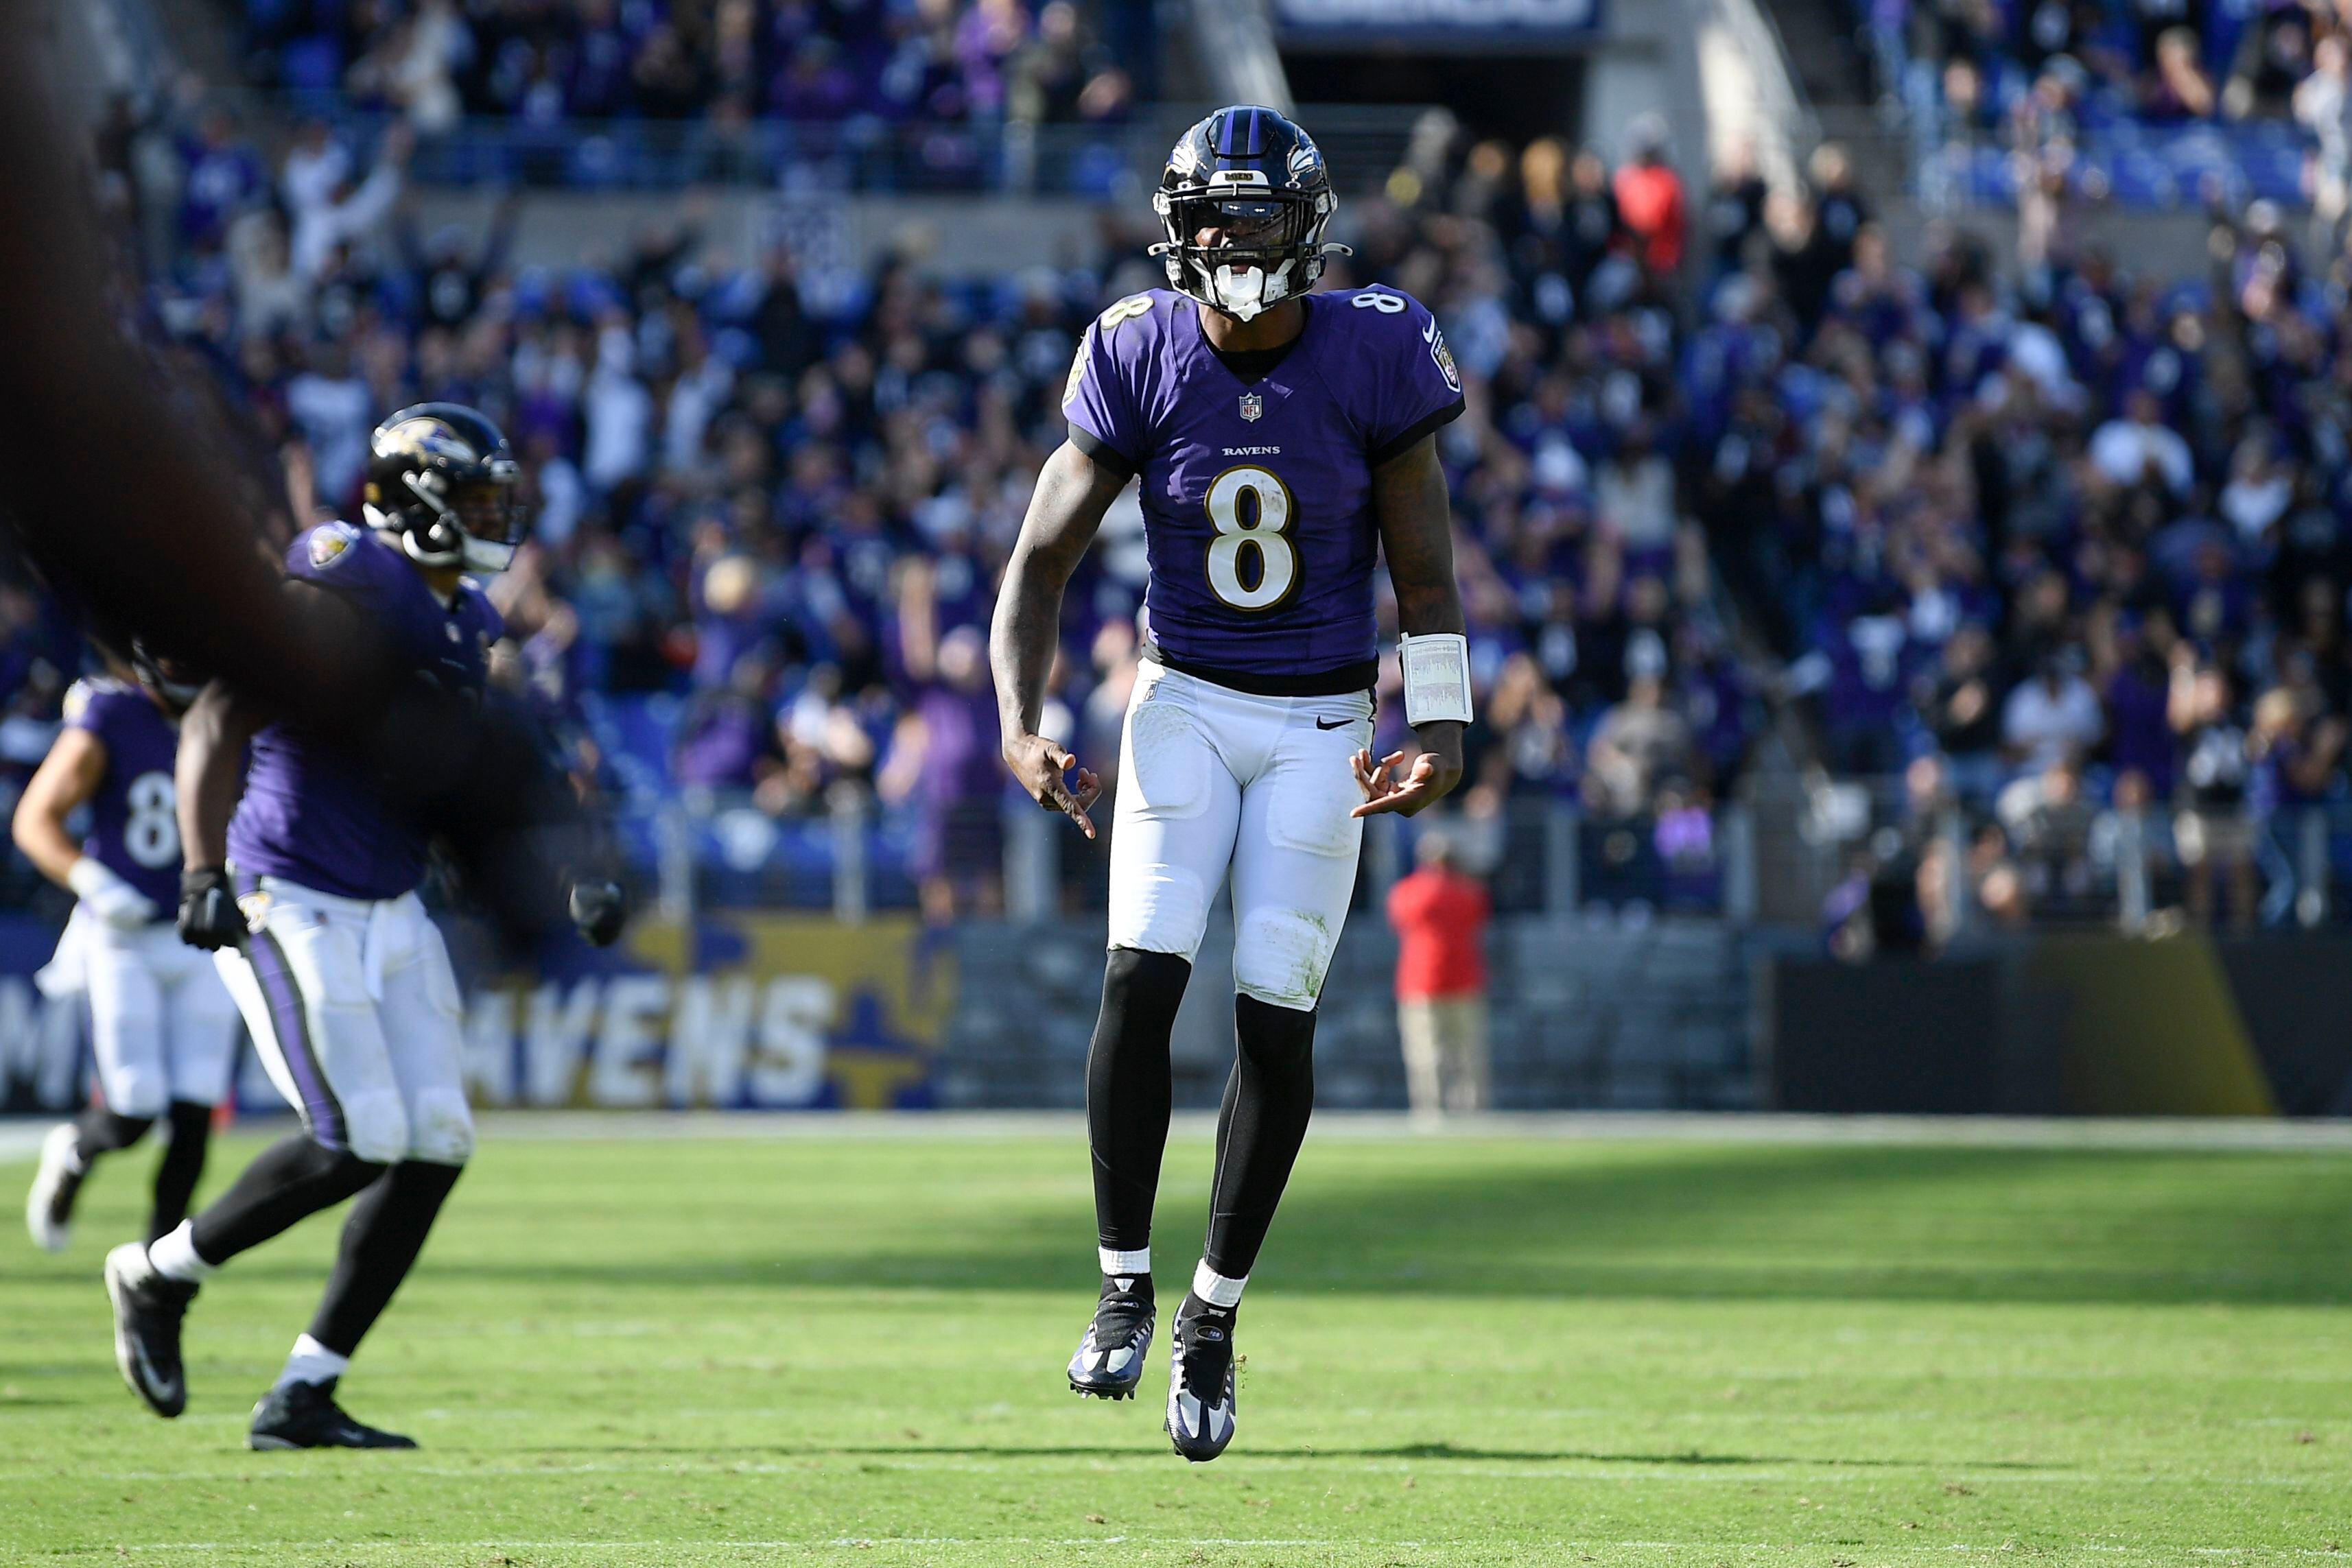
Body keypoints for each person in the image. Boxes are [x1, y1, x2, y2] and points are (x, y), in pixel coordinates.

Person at [989, 106, 1468, 1462]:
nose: (1229, 243)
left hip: (1323, 717)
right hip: (1184, 703)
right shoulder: (1137, 348)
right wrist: (1021, 719)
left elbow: (1426, 580)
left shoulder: (1374, 348)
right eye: (1209, 220)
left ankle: (1212, 1316)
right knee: (1142, 973)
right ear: (1174, 228)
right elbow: (1036, 565)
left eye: (1254, 220)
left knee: (1274, 1016)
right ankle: (1123, 1281)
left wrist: (1447, 731)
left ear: (1306, 229)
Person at [101, 404, 627, 1451]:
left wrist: (564, 865)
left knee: (436, 1140)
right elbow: (216, 716)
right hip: (286, 891)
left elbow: (482, 754)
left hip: (390, 902)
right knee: (360, 1136)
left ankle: (306, 1387)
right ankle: (154, 1274)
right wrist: (203, 869)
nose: (495, 517)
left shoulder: (465, 617)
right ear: (418, 502)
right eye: (477, 499)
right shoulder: (349, 579)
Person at [17, 651, 238, 1252]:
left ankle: (154, 1266)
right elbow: (36, 818)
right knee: (133, 1110)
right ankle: (75, 1152)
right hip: (125, 936)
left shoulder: (237, 709)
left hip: (204, 936)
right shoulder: (114, 714)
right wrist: (91, 881)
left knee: (196, 1111)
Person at [1385, 830, 1491, 1119]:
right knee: (1468, 1052)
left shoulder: (1407, 892)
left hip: (1420, 982)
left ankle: (1430, 1110)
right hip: (1465, 980)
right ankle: (1472, 1109)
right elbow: (1479, 916)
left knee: (1425, 1051)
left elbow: (1397, 920)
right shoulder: (1469, 892)